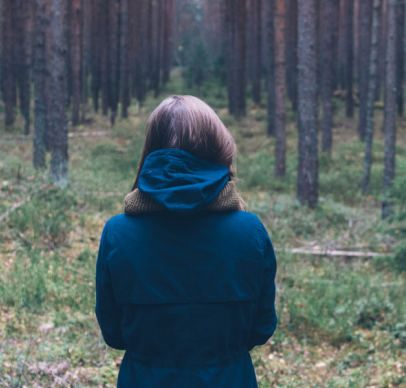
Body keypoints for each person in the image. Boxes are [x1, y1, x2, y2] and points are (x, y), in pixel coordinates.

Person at [95, 95, 277, 388]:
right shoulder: (251, 231)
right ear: (217, 149)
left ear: (151, 150)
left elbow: (114, 335)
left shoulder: (117, 233)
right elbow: (262, 328)